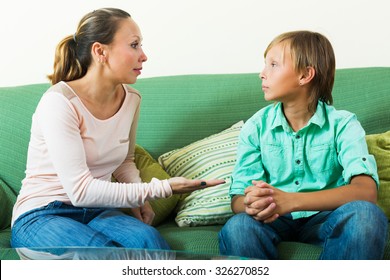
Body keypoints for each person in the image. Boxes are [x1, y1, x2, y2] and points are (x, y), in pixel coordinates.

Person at [11, 8, 224, 249]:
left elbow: (125, 160)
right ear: (100, 51)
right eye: (134, 45)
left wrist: (139, 201)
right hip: (43, 213)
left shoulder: (131, 99)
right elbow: (80, 191)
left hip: (98, 210)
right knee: (106, 257)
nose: (143, 56)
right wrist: (160, 188)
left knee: (151, 244)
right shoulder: (59, 102)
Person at [218, 30, 388, 260]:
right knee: (239, 226)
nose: (262, 73)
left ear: (305, 75)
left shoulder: (344, 124)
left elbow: (365, 192)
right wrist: (249, 203)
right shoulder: (256, 127)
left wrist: (290, 201)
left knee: (366, 215)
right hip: (273, 219)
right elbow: (237, 199)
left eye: (274, 64)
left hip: (326, 217)